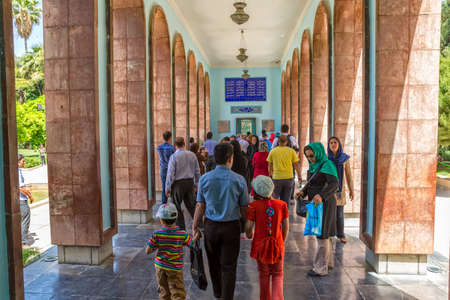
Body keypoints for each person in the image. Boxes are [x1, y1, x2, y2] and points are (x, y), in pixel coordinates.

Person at [192, 143, 249, 300]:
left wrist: (195, 225)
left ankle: (218, 294)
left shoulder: (204, 179)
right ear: (230, 158)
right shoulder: (239, 180)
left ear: (215, 159)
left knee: (213, 264)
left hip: (211, 227)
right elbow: (244, 207)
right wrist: (249, 225)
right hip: (231, 227)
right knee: (229, 267)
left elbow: (200, 205)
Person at [296, 142, 339, 277]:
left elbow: (334, 184)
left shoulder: (327, 165)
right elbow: (312, 184)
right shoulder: (314, 166)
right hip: (317, 204)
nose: (310, 159)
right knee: (324, 234)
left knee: (322, 235)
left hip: (324, 203)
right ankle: (328, 263)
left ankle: (320, 268)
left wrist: (321, 195)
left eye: (312, 156)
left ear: (318, 153)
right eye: (308, 157)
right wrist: (303, 192)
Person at [245, 175, 289, 300]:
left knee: (263, 275)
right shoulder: (282, 205)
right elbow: (286, 227)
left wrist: (249, 235)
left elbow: (249, 227)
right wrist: (281, 241)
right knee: (278, 274)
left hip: (260, 246)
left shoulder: (254, 205)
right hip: (277, 245)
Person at [146, 203, 193, 300]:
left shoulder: (157, 234)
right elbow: (191, 244)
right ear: (176, 219)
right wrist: (195, 236)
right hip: (174, 268)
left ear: (161, 220)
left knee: (163, 291)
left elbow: (148, 250)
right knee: (178, 293)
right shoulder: (182, 234)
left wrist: (156, 245)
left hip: (160, 267)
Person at [166, 137, 201, 230]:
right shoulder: (192, 155)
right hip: (189, 182)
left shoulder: (174, 156)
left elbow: (170, 174)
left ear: (175, 145)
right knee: (192, 205)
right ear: (184, 144)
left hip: (178, 184)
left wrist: (168, 187)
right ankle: (198, 224)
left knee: (176, 207)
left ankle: (181, 228)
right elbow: (197, 171)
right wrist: (197, 183)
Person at [327, 136, 354, 244]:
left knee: (339, 214)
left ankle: (341, 234)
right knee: (330, 213)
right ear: (328, 146)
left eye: (335, 142)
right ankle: (329, 233)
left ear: (339, 145)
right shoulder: (326, 159)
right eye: (331, 143)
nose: (333, 144)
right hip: (329, 190)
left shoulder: (344, 158)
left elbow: (348, 175)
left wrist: (352, 190)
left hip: (340, 191)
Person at [267, 135, 302, 206]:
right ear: (286, 142)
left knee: (275, 198)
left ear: (278, 142)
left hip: (277, 178)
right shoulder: (291, 151)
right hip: (289, 178)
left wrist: (270, 174)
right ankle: (285, 215)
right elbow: (296, 165)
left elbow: (270, 165)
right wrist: (299, 176)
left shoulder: (273, 151)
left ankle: (276, 214)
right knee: (286, 200)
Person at [18, 154, 34, 245]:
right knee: (25, 218)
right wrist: (30, 196)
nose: (24, 163)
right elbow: (20, 188)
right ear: (18, 162)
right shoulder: (17, 171)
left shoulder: (18, 170)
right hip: (21, 200)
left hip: (20, 199)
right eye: (23, 161)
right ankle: (23, 242)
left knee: (22, 219)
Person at [157, 131, 175, 204]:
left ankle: (163, 205)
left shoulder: (159, 148)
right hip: (171, 169)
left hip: (163, 169)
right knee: (173, 187)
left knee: (164, 187)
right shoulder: (171, 148)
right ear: (170, 137)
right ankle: (174, 205)